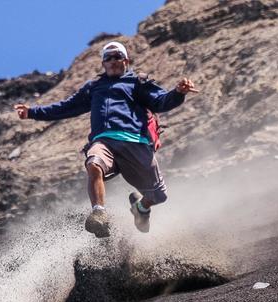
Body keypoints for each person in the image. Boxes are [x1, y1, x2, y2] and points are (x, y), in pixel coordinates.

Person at [14, 41, 198, 238]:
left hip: (136, 142)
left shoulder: (138, 82)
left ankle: (140, 208)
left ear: (126, 60)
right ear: (103, 64)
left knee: (159, 195)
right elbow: (65, 107)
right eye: (107, 58)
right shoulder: (94, 87)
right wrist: (32, 112)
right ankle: (99, 214)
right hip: (104, 141)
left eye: (117, 56)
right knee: (93, 164)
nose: (112, 61)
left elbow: (161, 101)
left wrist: (178, 93)